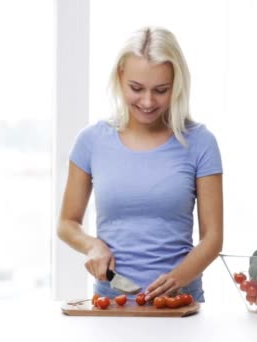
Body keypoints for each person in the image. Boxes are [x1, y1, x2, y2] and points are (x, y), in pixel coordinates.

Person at [57, 26, 223, 303]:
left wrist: (177, 280)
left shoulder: (201, 142)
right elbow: (66, 222)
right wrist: (92, 246)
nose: (147, 101)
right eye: (136, 88)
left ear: (177, 84)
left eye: (161, 90)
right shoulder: (91, 141)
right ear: (120, 76)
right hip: (112, 303)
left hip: (179, 304)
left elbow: (213, 238)